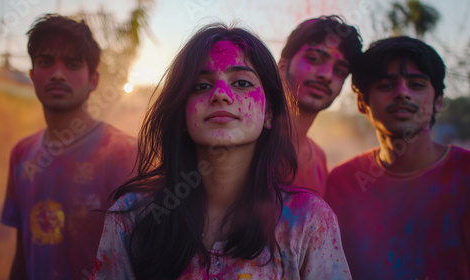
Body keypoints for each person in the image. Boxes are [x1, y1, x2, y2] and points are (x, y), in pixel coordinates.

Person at [92, 24, 351, 279]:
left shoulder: (309, 222)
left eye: (241, 82)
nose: (220, 95)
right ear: (182, 113)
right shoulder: (131, 219)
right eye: (202, 86)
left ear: (268, 113)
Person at [1, 14, 136, 280]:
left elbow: (146, 256)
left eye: (72, 64)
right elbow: (23, 252)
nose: (58, 74)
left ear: (93, 80)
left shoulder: (125, 153)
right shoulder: (21, 153)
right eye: (46, 62)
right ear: (32, 75)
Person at [325, 36, 470, 279]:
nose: (402, 93)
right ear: (363, 103)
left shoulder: (466, 174)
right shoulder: (343, 182)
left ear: (438, 102)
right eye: (386, 85)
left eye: (416, 84)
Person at [277, 15, 362, 197]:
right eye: (314, 59)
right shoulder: (246, 143)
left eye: (339, 70)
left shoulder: (319, 160)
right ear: (282, 67)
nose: (327, 75)